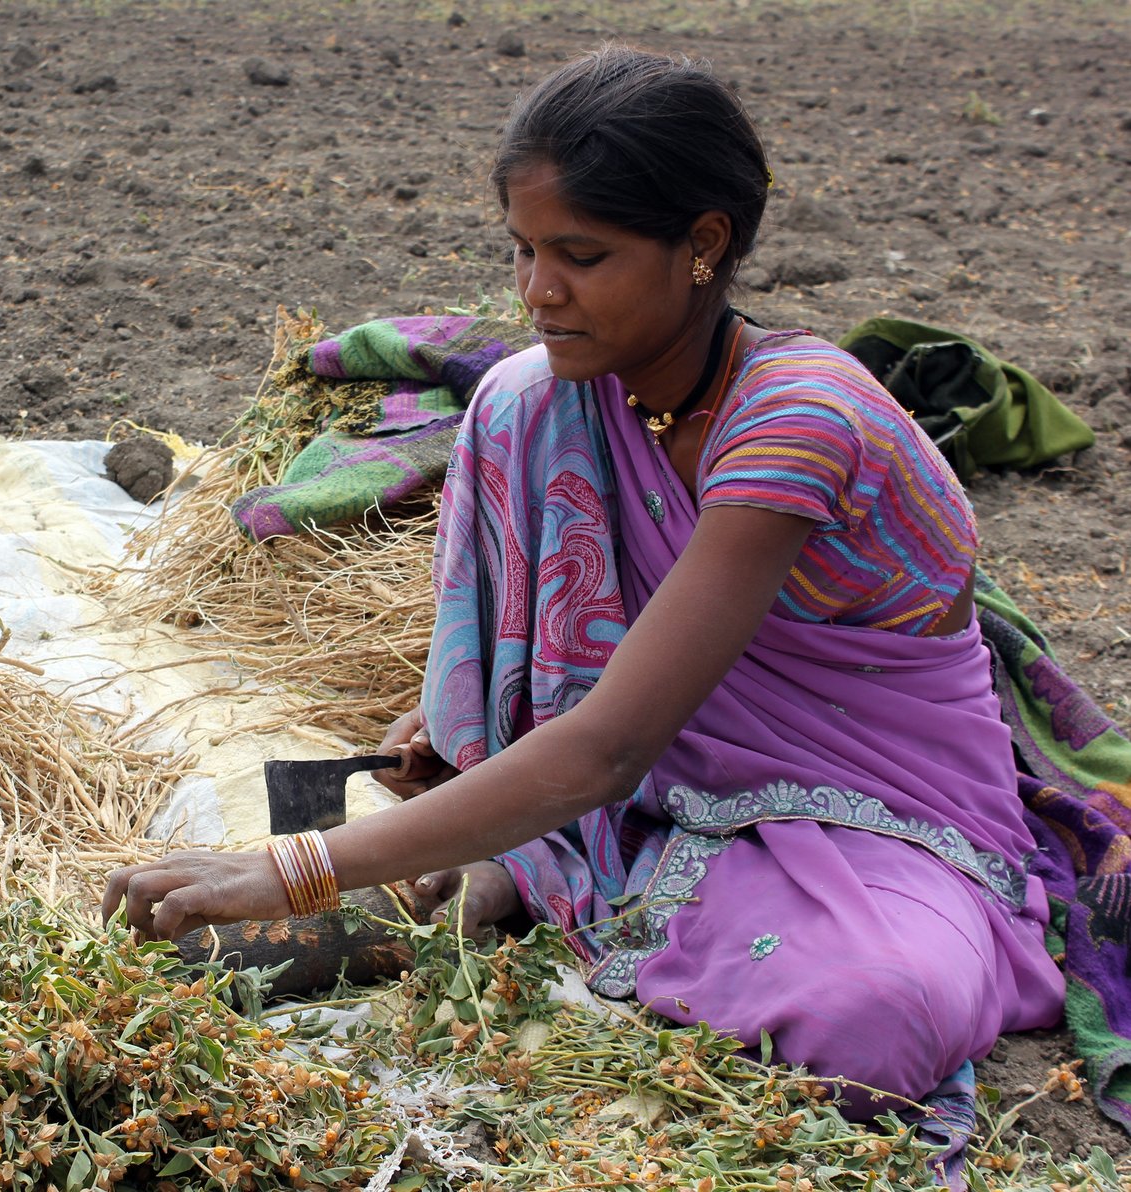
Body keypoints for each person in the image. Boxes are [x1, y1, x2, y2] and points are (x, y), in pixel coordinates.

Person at [102, 46, 1064, 1113]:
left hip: (873, 806)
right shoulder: (541, 406)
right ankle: (514, 853)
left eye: (582, 255)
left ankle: (515, 868)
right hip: (631, 785)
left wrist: (294, 871)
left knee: (874, 1014)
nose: (537, 291)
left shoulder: (798, 420)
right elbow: (548, 685)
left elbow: (608, 744)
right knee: (512, 397)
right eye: (521, 251)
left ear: (703, 245)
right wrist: (463, 748)